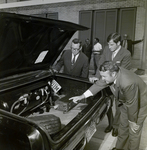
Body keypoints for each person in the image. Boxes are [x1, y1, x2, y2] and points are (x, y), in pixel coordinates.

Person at [69, 61, 147, 150]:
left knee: (134, 131)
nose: (102, 78)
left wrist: (133, 122)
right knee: (123, 127)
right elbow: (98, 85)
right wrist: (82, 96)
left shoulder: (127, 82)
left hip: (139, 104)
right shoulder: (112, 74)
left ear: (113, 74)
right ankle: (119, 148)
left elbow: (132, 104)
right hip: (127, 102)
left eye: (104, 76)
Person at [90, 33, 132, 136]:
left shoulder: (126, 54)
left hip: (118, 85)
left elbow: (122, 72)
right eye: (108, 44)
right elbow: (100, 64)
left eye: (112, 44)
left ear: (118, 43)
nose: (109, 47)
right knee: (107, 104)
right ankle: (110, 124)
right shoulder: (106, 49)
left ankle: (116, 126)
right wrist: (97, 76)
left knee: (118, 107)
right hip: (106, 83)